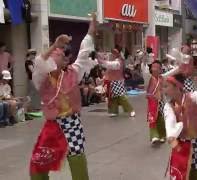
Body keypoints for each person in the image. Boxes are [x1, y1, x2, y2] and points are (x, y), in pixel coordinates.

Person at [29, 13, 98, 180]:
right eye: (58, 53)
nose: (63, 54)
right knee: (39, 161)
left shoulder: (74, 72)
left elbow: (84, 51)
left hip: (72, 122)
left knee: (76, 155)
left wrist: (91, 30)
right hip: (53, 125)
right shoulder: (42, 78)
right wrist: (54, 45)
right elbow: (39, 62)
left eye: (63, 53)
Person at [102, 48, 135, 117]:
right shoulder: (113, 60)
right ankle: (114, 111)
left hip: (117, 81)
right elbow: (108, 68)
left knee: (121, 97)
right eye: (112, 52)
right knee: (113, 97)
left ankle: (130, 110)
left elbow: (110, 65)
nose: (111, 54)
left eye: (114, 52)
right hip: (111, 81)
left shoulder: (118, 61)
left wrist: (102, 61)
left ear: (117, 53)